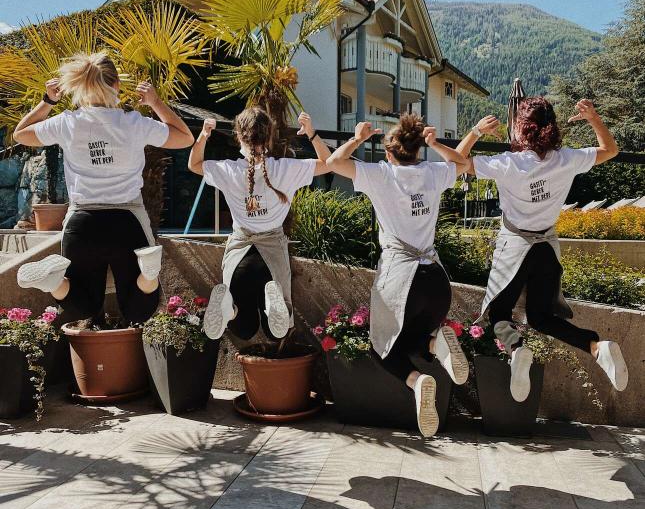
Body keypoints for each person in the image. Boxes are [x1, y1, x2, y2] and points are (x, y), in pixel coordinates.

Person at [326, 113, 499, 437]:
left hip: (401, 281)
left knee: (381, 348)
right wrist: (472, 132)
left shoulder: (381, 174)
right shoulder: (432, 172)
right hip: (436, 282)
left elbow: (334, 161)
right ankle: (435, 348)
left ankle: (418, 380)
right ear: (420, 149)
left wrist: (358, 138)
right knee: (410, 342)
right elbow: (461, 162)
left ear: (389, 152)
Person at [457, 97, 628, 401]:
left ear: (522, 128)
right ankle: (595, 347)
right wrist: (593, 118)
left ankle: (517, 350)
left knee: (498, 313)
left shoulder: (508, 163)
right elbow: (610, 150)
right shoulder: (566, 159)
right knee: (540, 317)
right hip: (546, 248)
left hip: (515, 249)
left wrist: (476, 131)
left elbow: (456, 162)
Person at [14, 51, 194, 324]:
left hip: (82, 222)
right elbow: (185, 138)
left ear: (81, 86)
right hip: (128, 220)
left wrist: (47, 102)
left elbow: (21, 134)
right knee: (139, 309)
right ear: (117, 85)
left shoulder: (67, 122)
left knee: (83, 306)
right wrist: (156, 102)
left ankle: (54, 282)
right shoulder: (134, 122)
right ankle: (147, 275)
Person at [188, 108, 331, 341]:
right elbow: (329, 162)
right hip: (271, 258)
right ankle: (273, 305)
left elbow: (194, 164)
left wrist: (204, 135)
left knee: (244, 330)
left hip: (239, 257)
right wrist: (311, 133)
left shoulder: (228, 169)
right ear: (270, 136)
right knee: (277, 333)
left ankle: (229, 310)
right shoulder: (285, 168)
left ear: (238, 135)